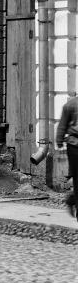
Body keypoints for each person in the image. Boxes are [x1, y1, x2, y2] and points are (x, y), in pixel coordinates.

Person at [55, 89, 78, 219]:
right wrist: (59, 141)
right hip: (75, 146)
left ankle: (72, 200)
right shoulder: (70, 105)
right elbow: (62, 124)